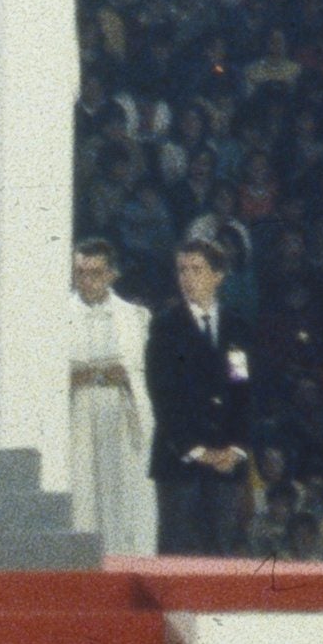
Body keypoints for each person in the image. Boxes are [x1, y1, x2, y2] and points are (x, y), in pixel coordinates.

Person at [145, 238, 251, 556]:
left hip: (225, 460)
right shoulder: (165, 327)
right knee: (179, 551)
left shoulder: (236, 326)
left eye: (197, 269)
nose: (187, 277)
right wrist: (197, 450)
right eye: (182, 270)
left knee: (220, 552)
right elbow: (163, 396)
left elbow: (242, 388)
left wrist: (234, 447)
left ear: (218, 275)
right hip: (181, 460)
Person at [67, 240, 156, 556]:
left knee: (122, 500)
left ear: (112, 274)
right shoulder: (59, 316)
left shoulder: (135, 317)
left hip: (120, 422)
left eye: (95, 273)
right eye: (80, 272)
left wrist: (89, 374)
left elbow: (135, 372)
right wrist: (101, 374)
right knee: (80, 501)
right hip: (75, 422)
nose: (87, 280)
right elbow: (60, 375)